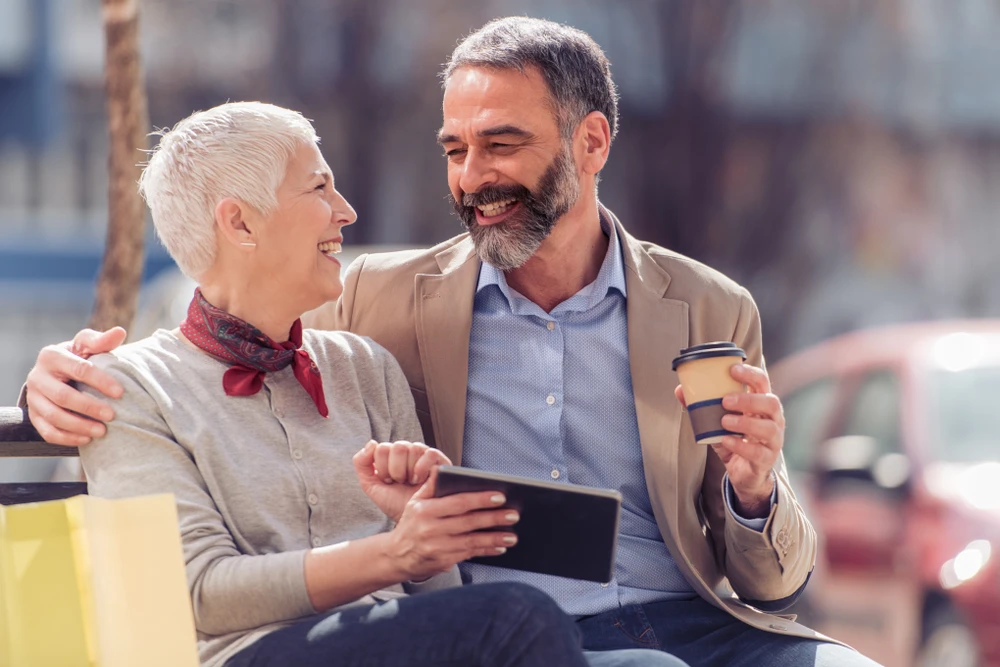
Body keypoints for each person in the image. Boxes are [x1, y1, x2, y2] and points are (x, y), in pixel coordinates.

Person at [23, 17, 881, 667]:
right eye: (455, 149)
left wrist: (756, 491)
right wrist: (53, 384)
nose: (472, 177)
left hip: (683, 614)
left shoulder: (707, 307)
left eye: (501, 144)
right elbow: (222, 323)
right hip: (507, 632)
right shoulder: (374, 301)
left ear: (592, 143)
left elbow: (775, 578)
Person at [61, 101, 682, 667]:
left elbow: (434, 597)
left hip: (399, 646)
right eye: (319, 187)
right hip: (249, 655)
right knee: (516, 614)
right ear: (241, 224)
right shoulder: (129, 388)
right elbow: (195, 593)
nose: (346, 211)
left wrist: (427, 531)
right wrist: (392, 555)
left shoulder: (363, 367)